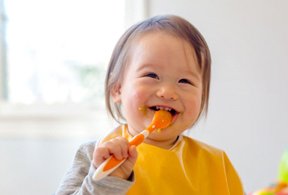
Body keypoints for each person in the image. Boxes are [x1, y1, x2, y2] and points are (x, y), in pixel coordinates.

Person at [55, 15, 244, 195]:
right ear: (118, 89)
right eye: (151, 75)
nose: (168, 92)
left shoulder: (217, 163)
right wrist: (105, 181)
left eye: (185, 81)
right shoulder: (96, 154)